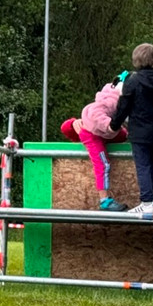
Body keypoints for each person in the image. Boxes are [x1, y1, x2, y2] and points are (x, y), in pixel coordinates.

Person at [109, 43, 153, 214]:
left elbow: (124, 105)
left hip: (140, 129)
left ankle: (146, 201)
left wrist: (114, 125)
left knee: (143, 165)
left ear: (135, 59)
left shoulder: (133, 80)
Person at [59, 73, 130, 211]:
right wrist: (111, 126)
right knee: (103, 164)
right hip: (93, 134)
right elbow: (96, 116)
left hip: (102, 132)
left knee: (123, 135)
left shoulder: (113, 97)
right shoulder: (111, 102)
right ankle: (104, 200)